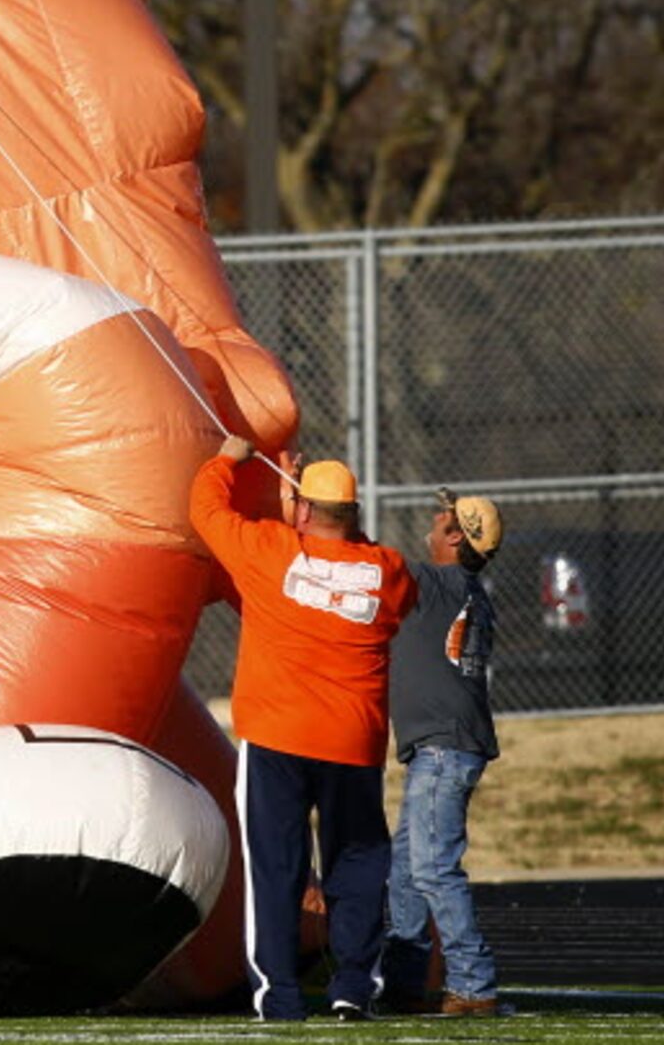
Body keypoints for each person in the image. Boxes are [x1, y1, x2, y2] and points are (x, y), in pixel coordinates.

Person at [191, 436, 416, 1023]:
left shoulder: (268, 550)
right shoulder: (387, 570)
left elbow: (206, 509)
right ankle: (352, 987)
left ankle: (281, 994)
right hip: (352, 741)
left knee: (276, 866)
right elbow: (380, 580)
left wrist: (228, 459)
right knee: (358, 863)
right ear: (354, 515)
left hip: (277, 738)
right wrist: (317, 517)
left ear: (304, 511)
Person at [382, 489, 510, 1018]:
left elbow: (372, 565)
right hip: (446, 745)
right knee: (407, 871)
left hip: (443, 747)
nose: (435, 519)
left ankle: (473, 984)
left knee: (432, 869)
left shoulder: (434, 583)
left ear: (456, 535)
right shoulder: (469, 589)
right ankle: (404, 983)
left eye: (445, 516)